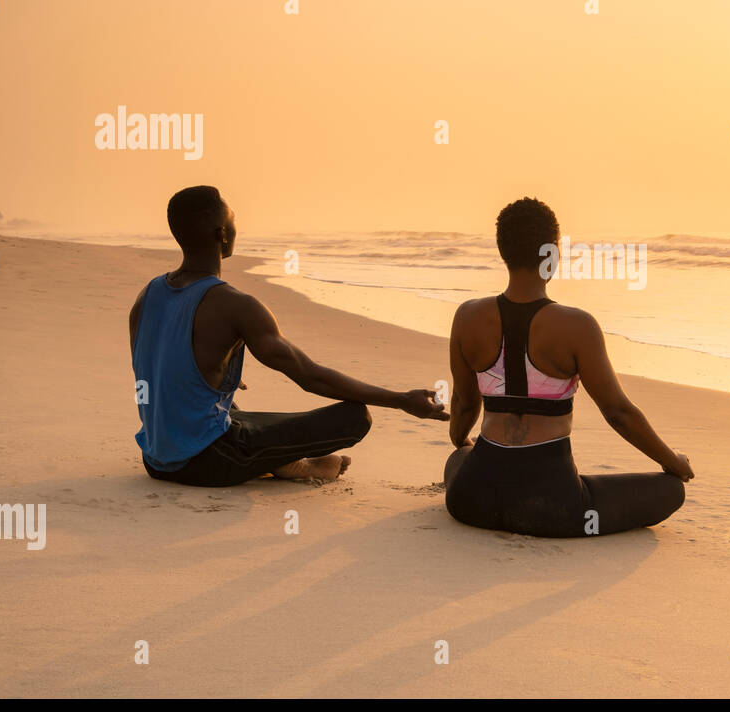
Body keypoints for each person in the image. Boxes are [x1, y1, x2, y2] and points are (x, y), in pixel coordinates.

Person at [129, 185, 447, 487]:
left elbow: (154, 373)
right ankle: (289, 462)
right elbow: (310, 377)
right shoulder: (236, 305)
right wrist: (400, 400)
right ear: (222, 235)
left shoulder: (148, 295)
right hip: (208, 462)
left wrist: (213, 370)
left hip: (154, 458)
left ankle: (278, 460)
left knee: (222, 402)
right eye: (233, 221)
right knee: (354, 416)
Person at [443, 198, 692, 537]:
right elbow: (618, 412)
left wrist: (461, 439)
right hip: (554, 506)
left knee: (459, 461)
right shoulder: (577, 326)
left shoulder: (467, 316)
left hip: (471, 501)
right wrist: (672, 462)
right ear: (552, 254)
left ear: (503, 252)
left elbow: (464, 405)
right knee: (671, 490)